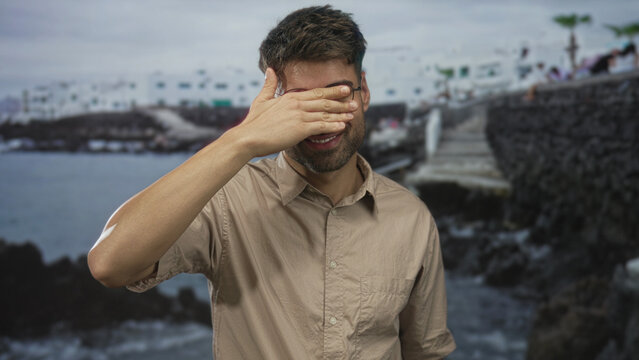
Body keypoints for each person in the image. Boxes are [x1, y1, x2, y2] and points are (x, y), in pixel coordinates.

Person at [88, 5, 455, 359]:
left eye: (338, 95)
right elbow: (111, 264)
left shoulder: (412, 218)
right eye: (300, 103)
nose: (322, 118)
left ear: (365, 91)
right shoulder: (228, 202)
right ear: (274, 108)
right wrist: (241, 140)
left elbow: (424, 352)